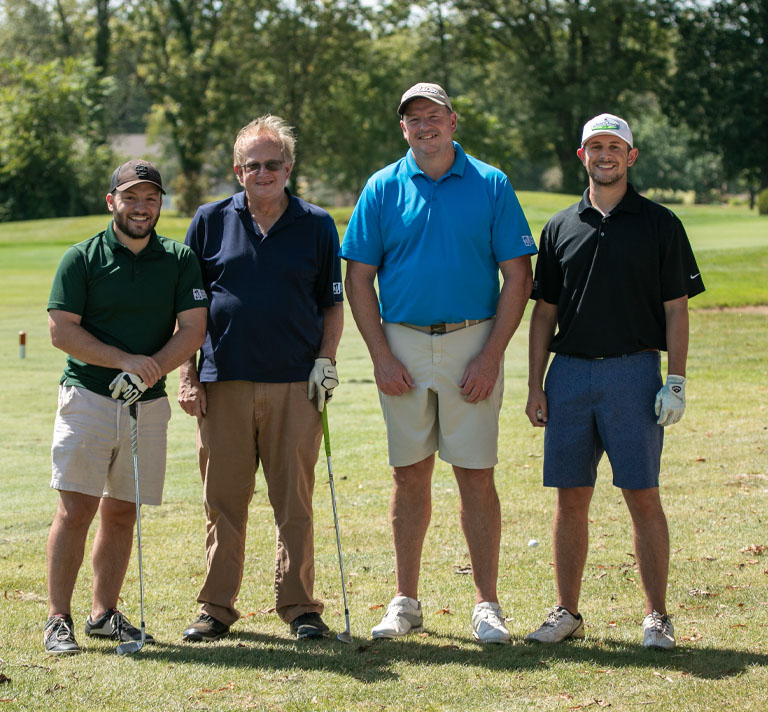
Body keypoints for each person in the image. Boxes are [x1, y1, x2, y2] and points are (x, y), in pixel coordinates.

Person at [343, 82, 536, 644]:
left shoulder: (491, 183)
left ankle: (487, 605)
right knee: (408, 474)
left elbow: (518, 276)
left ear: (453, 121)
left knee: (475, 474)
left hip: (472, 341)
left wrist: (491, 356)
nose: (424, 126)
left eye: (433, 116)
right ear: (403, 129)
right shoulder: (381, 187)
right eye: (413, 120)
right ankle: (405, 601)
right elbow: (359, 277)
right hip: (400, 341)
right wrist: (379, 354)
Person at [525, 114, 705, 649]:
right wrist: (536, 385)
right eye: (595, 146)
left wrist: (676, 380)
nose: (605, 154)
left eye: (615, 146)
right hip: (571, 374)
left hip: (633, 370)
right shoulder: (561, 226)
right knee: (570, 497)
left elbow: (676, 309)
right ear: (581, 155)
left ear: (631, 156)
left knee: (642, 494)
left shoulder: (660, 223)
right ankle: (567, 613)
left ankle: (656, 616)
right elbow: (543, 315)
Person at [178, 115, 344, 643]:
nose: (264, 172)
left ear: (289, 168)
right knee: (223, 501)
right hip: (222, 381)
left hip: (295, 384)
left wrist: (326, 360)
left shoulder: (316, 223)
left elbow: (331, 305)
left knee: (293, 501)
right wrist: (189, 376)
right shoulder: (208, 221)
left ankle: (299, 606)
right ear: (238, 170)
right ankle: (216, 607)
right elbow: (187, 309)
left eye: (274, 164)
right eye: (254, 165)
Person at [45, 159, 209, 654]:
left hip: (148, 406)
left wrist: (151, 369)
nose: (142, 207)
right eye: (131, 197)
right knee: (76, 509)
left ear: (161, 204)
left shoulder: (179, 259)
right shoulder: (83, 258)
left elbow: (194, 328)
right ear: (112, 200)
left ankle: (103, 613)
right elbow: (62, 330)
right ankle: (58, 619)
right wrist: (126, 361)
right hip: (89, 398)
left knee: (122, 512)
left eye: (151, 198)